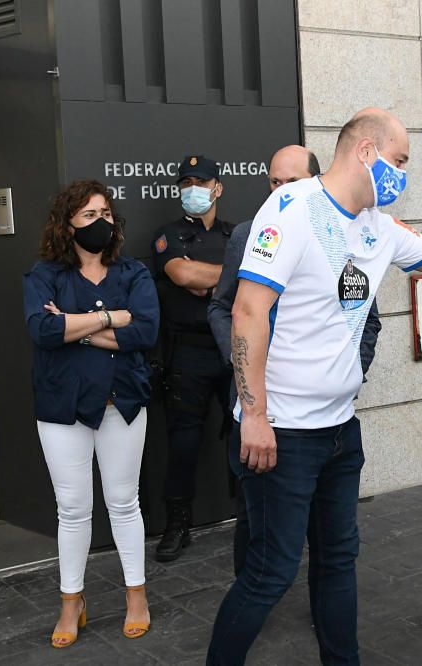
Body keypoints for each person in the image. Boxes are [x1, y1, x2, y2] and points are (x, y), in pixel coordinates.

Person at [205, 107, 422, 666]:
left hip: (339, 432)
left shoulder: (374, 224)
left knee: (338, 561)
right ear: (365, 152)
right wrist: (254, 415)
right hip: (282, 433)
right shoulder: (290, 209)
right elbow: (248, 312)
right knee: (271, 572)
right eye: (398, 161)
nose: (401, 174)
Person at [207, 144, 382, 575]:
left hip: (322, 420)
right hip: (259, 412)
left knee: (329, 536)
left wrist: (347, 369)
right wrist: (246, 366)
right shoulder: (250, 234)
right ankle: (253, 597)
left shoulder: (349, 233)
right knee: (255, 519)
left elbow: (367, 319)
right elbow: (224, 307)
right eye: (274, 182)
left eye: (292, 182)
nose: (280, 190)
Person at [23, 180, 159, 648]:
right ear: (67, 225)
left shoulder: (134, 273)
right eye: (88, 216)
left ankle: (136, 596)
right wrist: (109, 318)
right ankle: (71, 602)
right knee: (73, 509)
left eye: (105, 214)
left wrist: (74, 327)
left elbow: (144, 332)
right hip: (62, 408)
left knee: (124, 503)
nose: (100, 222)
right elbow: (42, 329)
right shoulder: (44, 274)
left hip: (121, 402)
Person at [152, 154, 235, 562]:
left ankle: (254, 517)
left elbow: (245, 283)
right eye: (186, 183)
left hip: (233, 348)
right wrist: (227, 276)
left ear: (217, 187)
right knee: (184, 442)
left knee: (244, 434)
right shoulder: (168, 235)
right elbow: (183, 277)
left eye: (200, 183)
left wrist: (208, 281)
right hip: (189, 352)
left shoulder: (236, 234)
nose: (192, 190)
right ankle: (177, 523)